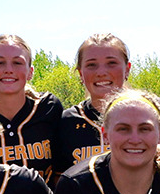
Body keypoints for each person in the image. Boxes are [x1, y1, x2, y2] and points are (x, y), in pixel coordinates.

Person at [0, 34, 61, 176]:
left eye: (17, 62)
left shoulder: (48, 108)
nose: (8, 69)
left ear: (30, 72)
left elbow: (61, 169)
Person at [54, 34, 130, 174]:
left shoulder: (152, 114)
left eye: (111, 63)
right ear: (80, 74)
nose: (101, 72)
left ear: (127, 69)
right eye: (91, 65)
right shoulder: (67, 121)